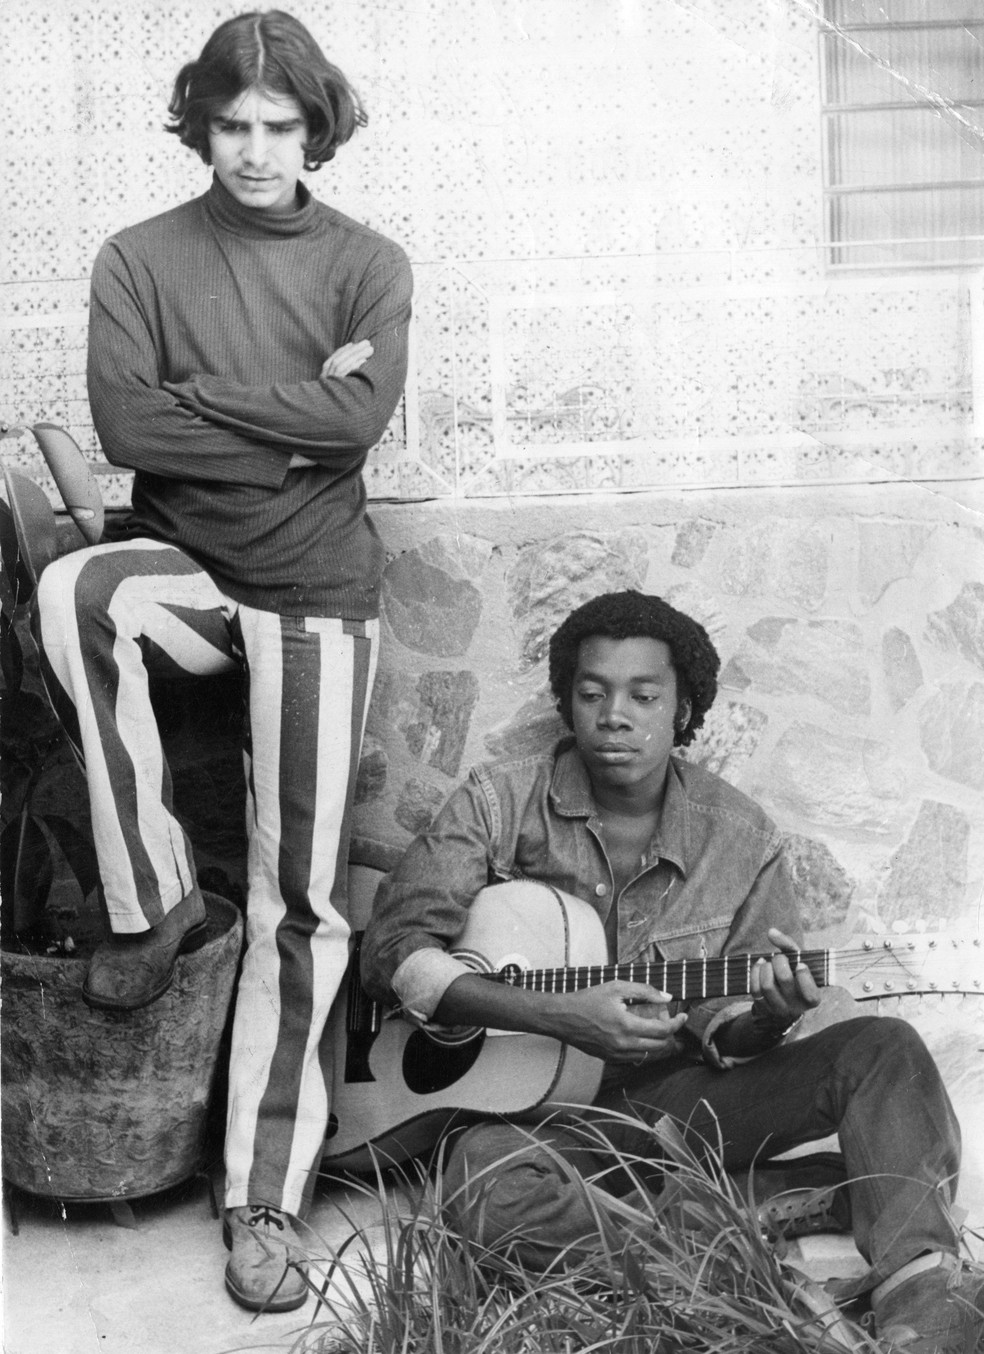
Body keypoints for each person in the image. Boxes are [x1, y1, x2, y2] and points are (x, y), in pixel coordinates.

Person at [34, 10, 412, 1313]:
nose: (255, 152)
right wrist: (293, 414)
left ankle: (262, 1201)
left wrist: (205, 413)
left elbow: (362, 420)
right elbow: (125, 420)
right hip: (192, 573)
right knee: (83, 585)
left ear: (316, 130)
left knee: (298, 901)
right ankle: (153, 900)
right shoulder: (139, 258)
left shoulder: (370, 264)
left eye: (281, 126)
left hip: (317, 589)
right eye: (233, 124)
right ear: (201, 125)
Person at [361, 590, 982, 1352]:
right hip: (539, 1120)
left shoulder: (742, 839)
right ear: (569, 701)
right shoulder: (498, 802)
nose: (614, 715)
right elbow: (393, 948)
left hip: (681, 1105)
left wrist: (773, 1015)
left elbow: (732, 1032)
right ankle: (762, 1213)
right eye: (591, 693)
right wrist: (560, 1017)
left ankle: (924, 1307)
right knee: (478, 1190)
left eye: (643, 695)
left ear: (683, 709)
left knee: (883, 1048)